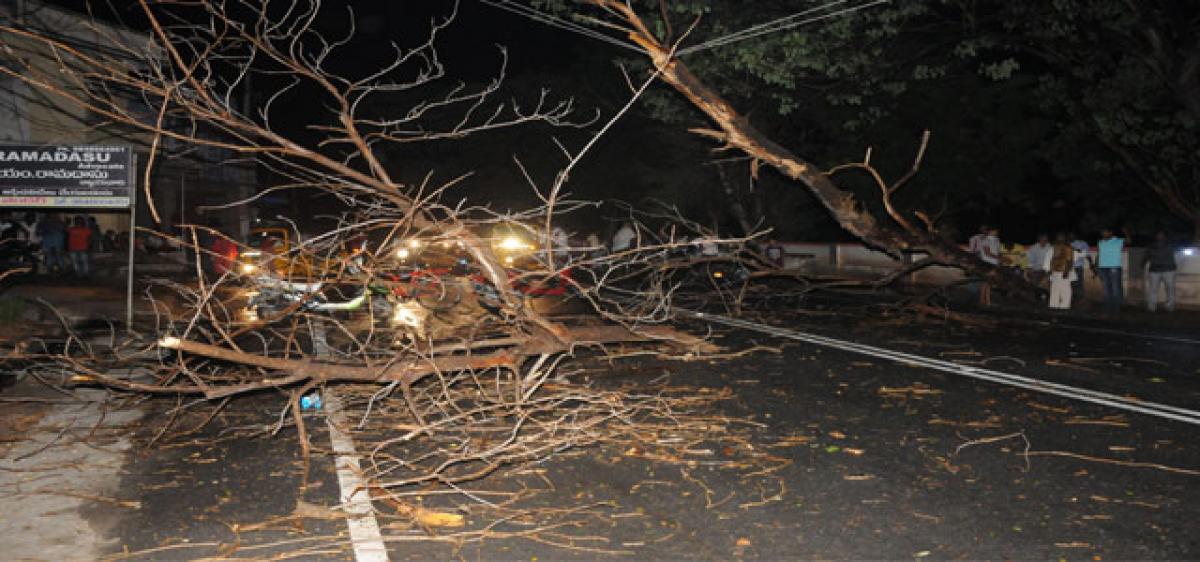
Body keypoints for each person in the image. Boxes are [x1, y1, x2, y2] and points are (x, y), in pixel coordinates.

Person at [1142, 231, 1177, 313]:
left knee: (1170, 289)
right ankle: (1151, 307)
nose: (1160, 236)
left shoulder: (1170, 245)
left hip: (1169, 270)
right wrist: (1142, 264)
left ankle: (1170, 307)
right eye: (1158, 235)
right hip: (1155, 270)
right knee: (1153, 289)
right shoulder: (1151, 246)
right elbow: (1146, 256)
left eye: (1161, 235)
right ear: (1155, 236)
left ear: (1165, 236)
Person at [1096, 227, 1126, 313]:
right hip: (1102, 267)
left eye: (1105, 232)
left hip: (1114, 267)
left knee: (1115, 288)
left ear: (1110, 232)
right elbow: (1099, 254)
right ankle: (1108, 306)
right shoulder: (1100, 242)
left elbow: (1129, 242)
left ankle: (1116, 307)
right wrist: (1096, 265)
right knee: (1106, 288)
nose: (1103, 234)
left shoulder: (1118, 240)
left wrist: (1126, 233)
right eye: (1102, 232)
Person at [1047, 234, 1075, 310]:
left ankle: (1062, 307)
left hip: (1062, 271)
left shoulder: (1067, 248)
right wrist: (1051, 270)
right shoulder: (1056, 247)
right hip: (1057, 272)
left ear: (1065, 239)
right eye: (1058, 237)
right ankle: (1056, 307)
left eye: (1061, 237)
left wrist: (1066, 271)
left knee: (1063, 291)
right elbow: (1053, 260)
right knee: (1056, 291)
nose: (1059, 239)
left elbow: (1069, 261)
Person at [976, 226, 1001, 306]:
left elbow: (997, 252)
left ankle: (985, 300)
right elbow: (987, 253)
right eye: (995, 230)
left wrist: (999, 260)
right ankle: (985, 300)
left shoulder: (997, 240)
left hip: (994, 263)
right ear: (990, 231)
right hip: (986, 263)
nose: (996, 232)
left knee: (988, 283)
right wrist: (1000, 258)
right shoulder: (985, 240)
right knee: (986, 282)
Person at [1067, 232, 1089, 303]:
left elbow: (1086, 254)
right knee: (1070, 285)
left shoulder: (1082, 243)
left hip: (1078, 267)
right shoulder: (1066, 244)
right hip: (1068, 268)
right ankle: (1072, 300)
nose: (1071, 236)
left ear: (1075, 235)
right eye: (1069, 235)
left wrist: (1091, 265)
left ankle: (1080, 300)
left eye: (1072, 235)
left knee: (1079, 285)